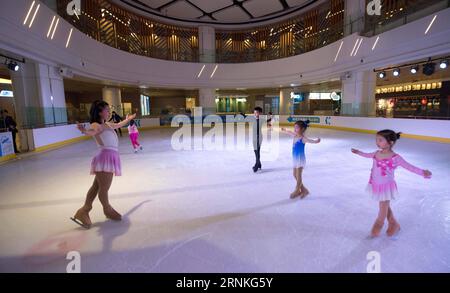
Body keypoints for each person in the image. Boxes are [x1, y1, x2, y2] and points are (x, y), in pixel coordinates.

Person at [352, 129, 432, 238]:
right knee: (384, 205)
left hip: (386, 186)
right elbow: (367, 155)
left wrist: (423, 172)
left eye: (380, 140)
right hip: (375, 183)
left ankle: (378, 224)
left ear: (390, 143)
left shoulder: (395, 158)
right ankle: (393, 224)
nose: (377, 142)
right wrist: (358, 152)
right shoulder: (376, 153)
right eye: (377, 140)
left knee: (383, 206)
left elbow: (409, 167)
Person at [71, 100, 136, 229]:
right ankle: (107, 209)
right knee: (103, 189)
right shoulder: (96, 124)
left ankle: (83, 211)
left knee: (96, 187)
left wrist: (128, 119)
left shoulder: (106, 124)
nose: (109, 111)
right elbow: (93, 132)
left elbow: (118, 124)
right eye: (106, 109)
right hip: (105, 157)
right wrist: (84, 131)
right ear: (100, 112)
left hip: (109, 157)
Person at [281, 120, 321, 199]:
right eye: (294, 127)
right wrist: (285, 130)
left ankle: (297, 190)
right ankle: (304, 190)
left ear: (302, 129)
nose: (295, 129)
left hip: (300, 159)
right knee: (294, 174)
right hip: (295, 158)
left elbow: (311, 141)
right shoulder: (295, 135)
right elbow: (289, 132)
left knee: (298, 175)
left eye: (297, 128)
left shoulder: (303, 138)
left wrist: (316, 141)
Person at [252, 107, 263, 173]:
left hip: (258, 137)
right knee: (256, 151)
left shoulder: (260, 120)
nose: (255, 114)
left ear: (260, 113)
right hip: (254, 137)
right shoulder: (254, 119)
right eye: (254, 112)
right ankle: (259, 164)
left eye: (257, 112)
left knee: (257, 151)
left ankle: (256, 165)